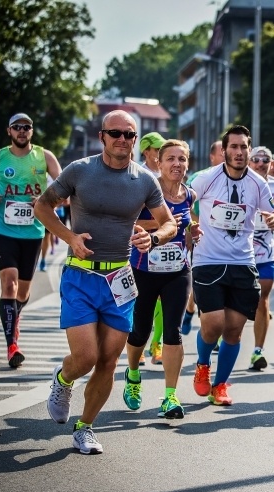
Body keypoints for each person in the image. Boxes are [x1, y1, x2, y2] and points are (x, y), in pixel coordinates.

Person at [36, 110, 177, 454]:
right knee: (85, 357)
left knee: (109, 360)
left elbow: (169, 223)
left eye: (129, 134)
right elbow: (42, 206)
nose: (122, 139)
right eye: (115, 133)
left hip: (119, 278)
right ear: (102, 136)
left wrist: (153, 239)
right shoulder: (80, 170)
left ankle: (85, 427)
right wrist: (70, 237)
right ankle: (63, 379)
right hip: (81, 276)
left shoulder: (144, 180)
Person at [189, 125, 274, 406]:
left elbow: (271, 212)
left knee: (234, 329)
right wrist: (191, 225)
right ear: (224, 150)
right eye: (234, 147)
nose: (239, 152)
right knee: (213, 324)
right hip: (208, 260)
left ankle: (220, 386)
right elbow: (185, 205)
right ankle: (203, 364)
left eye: (244, 147)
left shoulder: (257, 183)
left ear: (249, 150)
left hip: (243, 262)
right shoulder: (205, 179)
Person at [0, 113, 62, 368]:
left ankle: (15, 315)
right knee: (8, 284)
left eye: (27, 127)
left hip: (33, 232)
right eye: (17, 127)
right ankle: (12, 345)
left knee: (22, 291)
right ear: (9, 131)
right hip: (2, 229)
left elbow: (64, 186)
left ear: (32, 131)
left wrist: (46, 199)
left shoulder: (44, 157)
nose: (22, 131)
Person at [122, 139, 200, 419]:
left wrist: (193, 231)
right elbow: (127, 222)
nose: (176, 164)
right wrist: (160, 225)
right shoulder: (146, 190)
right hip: (144, 270)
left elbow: (186, 224)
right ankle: (132, 374)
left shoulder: (189, 195)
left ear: (187, 164)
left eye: (182, 159)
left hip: (178, 271)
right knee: (140, 330)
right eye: (171, 159)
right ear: (159, 162)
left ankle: (170, 396)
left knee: (173, 331)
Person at [248, 146, 274, 370]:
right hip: (238, 253)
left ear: (271, 164)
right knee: (231, 301)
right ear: (249, 162)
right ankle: (218, 336)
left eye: (266, 159)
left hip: (266, 252)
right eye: (256, 159)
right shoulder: (240, 181)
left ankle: (257, 350)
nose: (261, 163)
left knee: (262, 298)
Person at [182, 140, 225, 336]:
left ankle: (212, 333)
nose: (226, 157)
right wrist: (198, 225)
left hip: (228, 247)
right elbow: (184, 206)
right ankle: (191, 311)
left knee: (221, 291)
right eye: (222, 153)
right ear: (212, 157)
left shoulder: (238, 178)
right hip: (200, 239)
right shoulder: (200, 178)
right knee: (201, 289)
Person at [135, 132, 167, 365]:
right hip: (140, 247)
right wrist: (162, 223)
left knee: (163, 301)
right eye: (157, 149)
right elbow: (129, 219)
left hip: (167, 248)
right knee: (143, 303)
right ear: (146, 151)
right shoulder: (136, 175)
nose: (161, 153)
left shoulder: (171, 175)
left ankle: (157, 344)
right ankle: (141, 343)